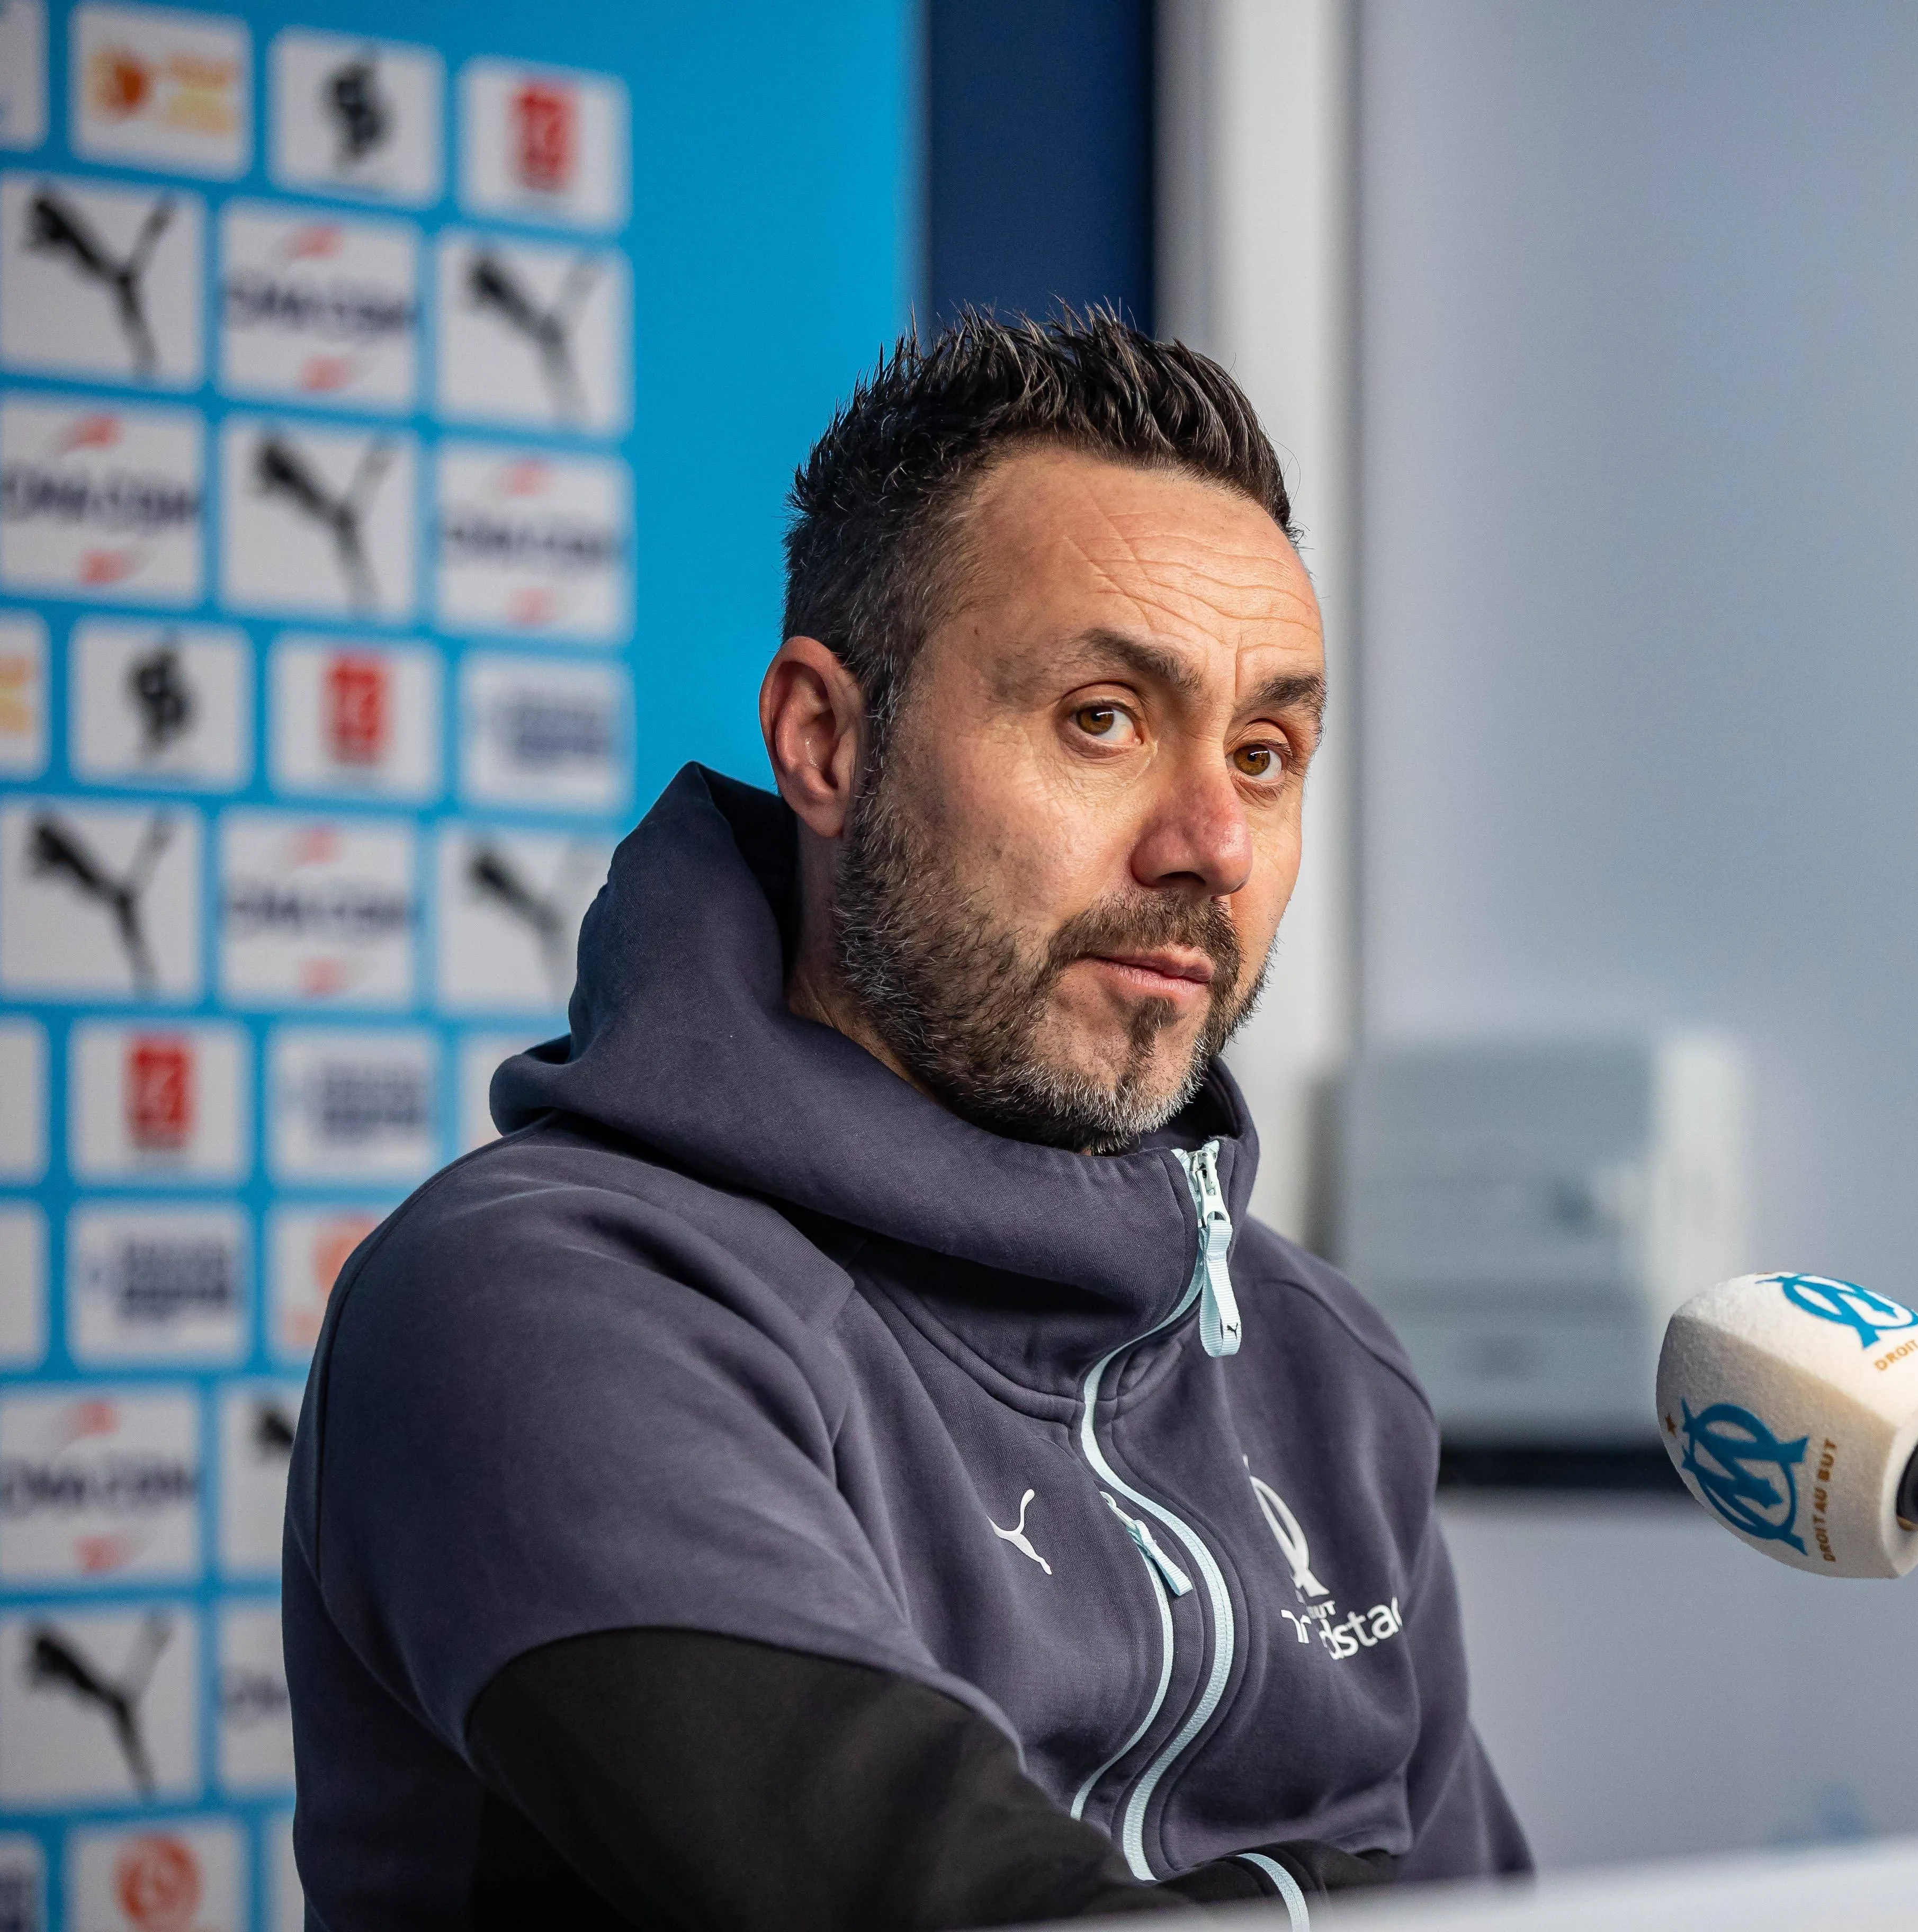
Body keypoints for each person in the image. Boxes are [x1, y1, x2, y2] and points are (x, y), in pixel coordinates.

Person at [284, 312, 1530, 1929]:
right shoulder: (538, 1303)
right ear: (825, 739)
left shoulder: (1316, 1364)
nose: (1214, 840)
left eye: (1268, 751)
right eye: (1103, 717)